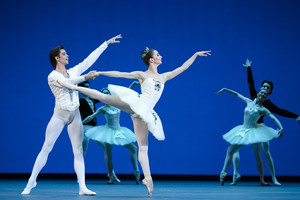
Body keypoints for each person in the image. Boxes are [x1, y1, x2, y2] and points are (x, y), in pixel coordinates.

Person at [57, 47, 211, 197]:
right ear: (151, 60)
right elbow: (120, 74)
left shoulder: (164, 76)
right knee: (104, 98)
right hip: (137, 104)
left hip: (144, 113)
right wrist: (101, 72)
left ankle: (148, 179)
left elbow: (182, 68)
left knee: (143, 148)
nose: (161, 56)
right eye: (158, 54)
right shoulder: (142, 75)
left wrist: (195, 55)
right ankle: (71, 86)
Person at [21, 34, 122, 196]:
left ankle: (82, 187)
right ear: (57, 58)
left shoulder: (73, 71)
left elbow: (88, 61)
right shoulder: (52, 76)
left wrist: (106, 44)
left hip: (75, 115)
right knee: (46, 147)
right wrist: (85, 77)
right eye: (64, 54)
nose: (67, 55)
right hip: (60, 116)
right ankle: (31, 182)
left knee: (78, 151)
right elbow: (66, 84)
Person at [230, 59, 300, 186]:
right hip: (250, 128)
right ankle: (257, 178)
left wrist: (296, 116)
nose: (264, 88)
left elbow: (280, 111)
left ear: (270, 92)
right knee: (254, 155)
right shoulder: (254, 96)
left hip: (260, 128)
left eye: (267, 88)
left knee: (266, 153)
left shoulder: (267, 104)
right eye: (263, 86)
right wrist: (249, 68)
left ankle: (273, 178)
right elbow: (250, 83)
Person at [217, 87, 283, 186]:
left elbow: (273, 118)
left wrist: (281, 127)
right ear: (258, 94)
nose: (262, 95)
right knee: (231, 149)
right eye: (261, 93)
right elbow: (237, 94)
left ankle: (261, 180)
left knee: (257, 157)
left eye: (264, 94)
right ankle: (224, 173)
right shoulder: (249, 101)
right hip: (243, 130)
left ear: (265, 98)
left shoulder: (262, 109)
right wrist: (225, 89)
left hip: (254, 132)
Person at [83, 84, 140, 184]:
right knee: (109, 155)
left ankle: (136, 171)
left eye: (107, 93)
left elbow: (126, 93)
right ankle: (111, 177)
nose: (106, 96)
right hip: (108, 132)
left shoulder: (118, 104)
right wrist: (81, 123)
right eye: (103, 94)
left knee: (134, 148)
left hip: (119, 131)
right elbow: (91, 116)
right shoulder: (103, 109)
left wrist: (134, 84)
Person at [78, 80, 121, 184]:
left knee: (106, 148)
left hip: (93, 128)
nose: (88, 89)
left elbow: (104, 97)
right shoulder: (79, 101)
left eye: (88, 87)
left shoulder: (92, 99)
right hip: (85, 128)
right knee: (82, 152)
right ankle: (80, 176)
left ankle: (111, 174)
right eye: (86, 88)